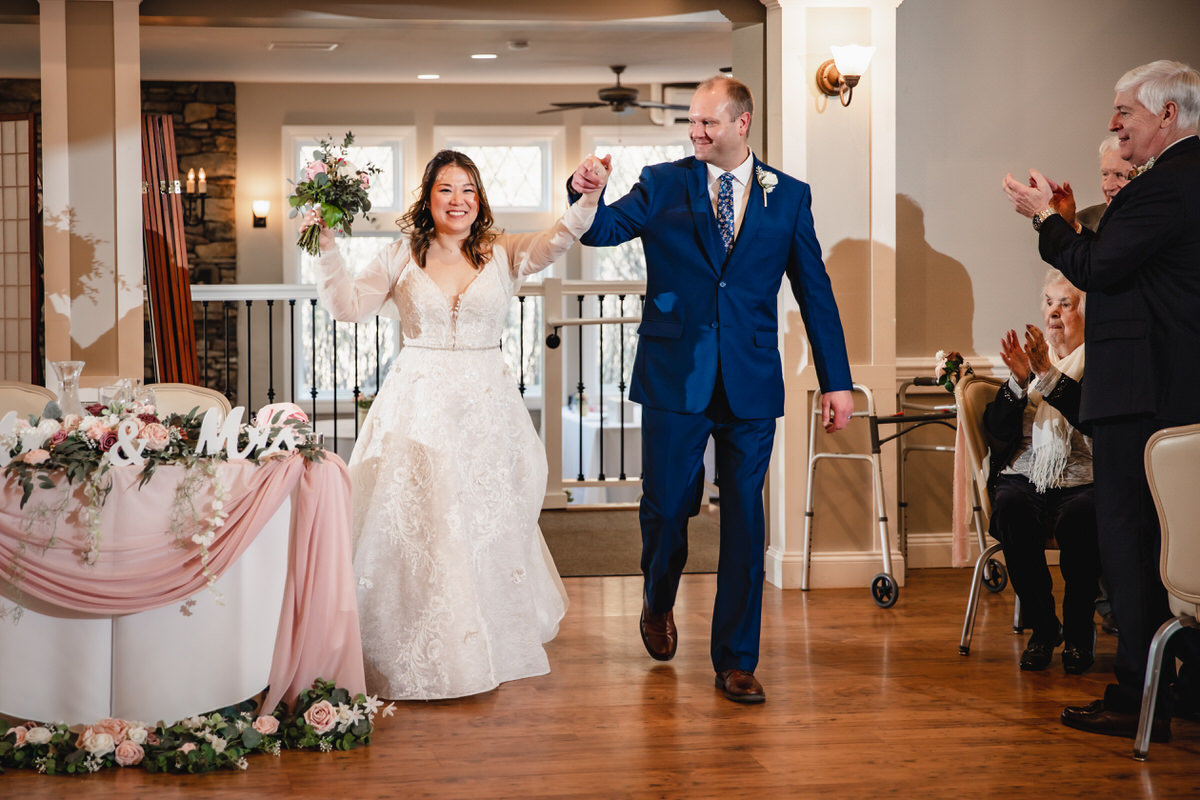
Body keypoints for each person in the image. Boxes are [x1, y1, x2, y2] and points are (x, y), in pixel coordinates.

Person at [569, 75, 854, 704]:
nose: (696, 132)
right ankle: (656, 599)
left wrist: (838, 381)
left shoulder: (789, 197)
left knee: (746, 522)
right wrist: (584, 193)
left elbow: (816, 292)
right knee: (669, 509)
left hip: (751, 382)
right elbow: (600, 231)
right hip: (675, 376)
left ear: (742, 123)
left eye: (709, 123)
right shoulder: (664, 183)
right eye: (692, 123)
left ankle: (736, 660)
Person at [309, 150, 609, 700]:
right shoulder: (401, 254)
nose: (458, 200)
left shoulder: (501, 253)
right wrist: (326, 247)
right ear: (428, 198)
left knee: (481, 522)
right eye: (446, 189)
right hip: (418, 405)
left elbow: (559, 238)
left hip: (485, 409)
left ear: (480, 200)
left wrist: (588, 195)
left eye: (468, 190)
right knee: (421, 524)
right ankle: (416, 643)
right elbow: (349, 308)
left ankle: (483, 639)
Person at [1002, 59, 1200, 742]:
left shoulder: (1163, 187)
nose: (1114, 125)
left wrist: (1043, 222)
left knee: (1133, 548)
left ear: (1168, 115)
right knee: (1181, 550)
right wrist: (1066, 216)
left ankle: (1138, 698)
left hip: (1141, 398)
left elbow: (1096, 269)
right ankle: (1187, 687)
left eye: (1125, 113)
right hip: (1177, 394)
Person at [985, 269, 1098, 674]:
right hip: (1027, 476)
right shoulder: (1032, 364)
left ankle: (1080, 632)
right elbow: (996, 432)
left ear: (1087, 312)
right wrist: (1018, 381)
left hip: (1083, 478)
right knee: (1011, 504)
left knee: (1085, 516)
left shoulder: (1100, 359)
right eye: (1049, 303)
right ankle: (1044, 628)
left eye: (1065, 304)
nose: (1053, 313)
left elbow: (1092, 419)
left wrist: (1049, 376)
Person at [1069, 136, 1132, 233]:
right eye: (1105, 174)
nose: (1107, 186)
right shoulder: (1080, 222)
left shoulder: (1160, 224)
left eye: (1120, 175)